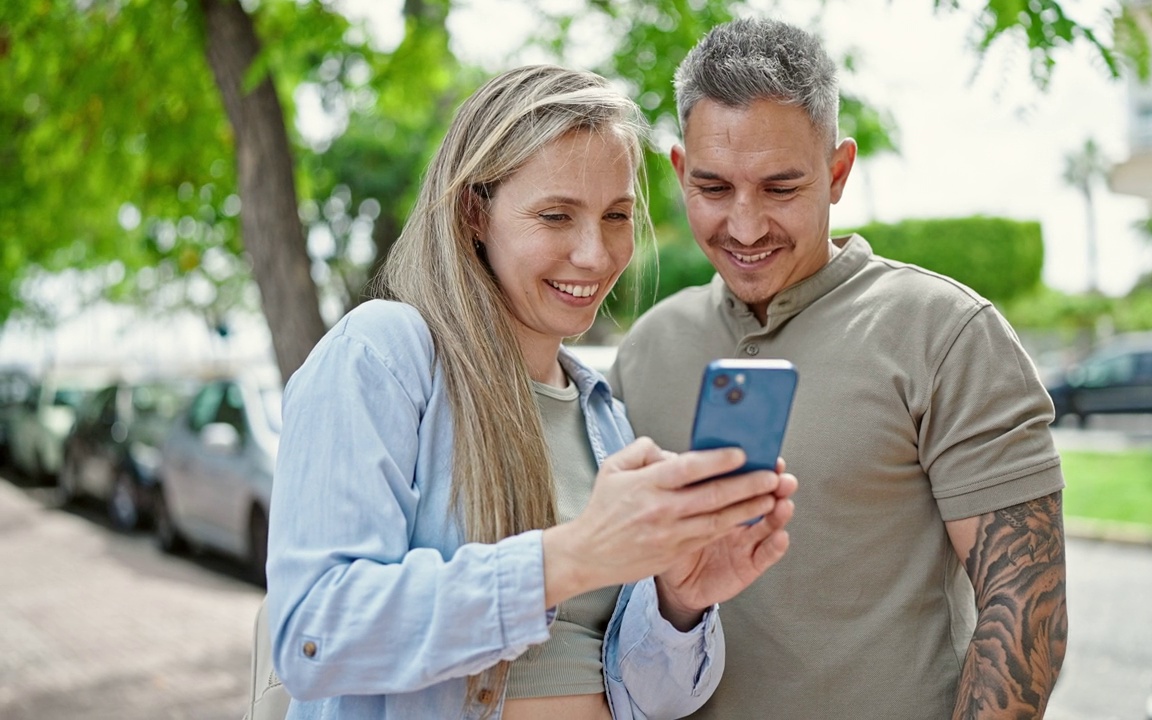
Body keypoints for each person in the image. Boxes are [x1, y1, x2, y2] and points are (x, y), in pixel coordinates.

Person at [266, 64, 798, 720]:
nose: (595, 254)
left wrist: (681, 602)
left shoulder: (606, 420)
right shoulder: (385, 355)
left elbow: (655, 700)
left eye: (616, 216)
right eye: (556, 215)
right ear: (474, 213)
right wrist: (567, 559)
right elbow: (314, 635)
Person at [610, 18, 1068, 719]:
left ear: (838, 172)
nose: (744, 224)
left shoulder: (946, 333)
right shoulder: (645, 351)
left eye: (780, 188)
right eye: (713, 188)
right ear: (678, 171)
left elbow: (1024, 607)